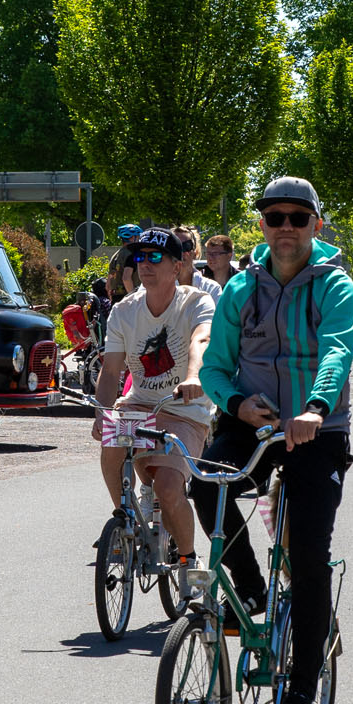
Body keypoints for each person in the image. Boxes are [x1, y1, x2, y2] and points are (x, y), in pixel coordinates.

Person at [194, 176, 353, 704]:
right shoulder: (241, 289)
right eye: (274, 217)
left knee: (310, 561)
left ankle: (302, 695)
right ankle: (251, 586)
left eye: (296, 217)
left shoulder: (335, 286)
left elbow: (337, 350)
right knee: (204, 483)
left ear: (316, 223)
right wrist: (236, 404)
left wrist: (315, 406)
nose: (284, 227)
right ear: (261, 224)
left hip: (318, 428)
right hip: (253, 423)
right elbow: (215, 366)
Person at [93, 227, 214, 591]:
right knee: (110, 448)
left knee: (166, 486)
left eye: (155, 257)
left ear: (177, 265)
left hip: (184, 409)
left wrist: (193, 376)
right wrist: (101, 411)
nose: (144, 264)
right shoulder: (123, 311)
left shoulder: (196, 302)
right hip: (139, 403)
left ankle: (190, 561)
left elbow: (201, 340)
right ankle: (125, 522)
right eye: (140, 257)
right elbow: (112, 369)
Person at [171, 225, 222, 304]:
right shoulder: (157, 288)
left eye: (186, 246)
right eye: (175, 247)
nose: (180, 253)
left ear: (196, 252)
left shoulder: (211, 289)